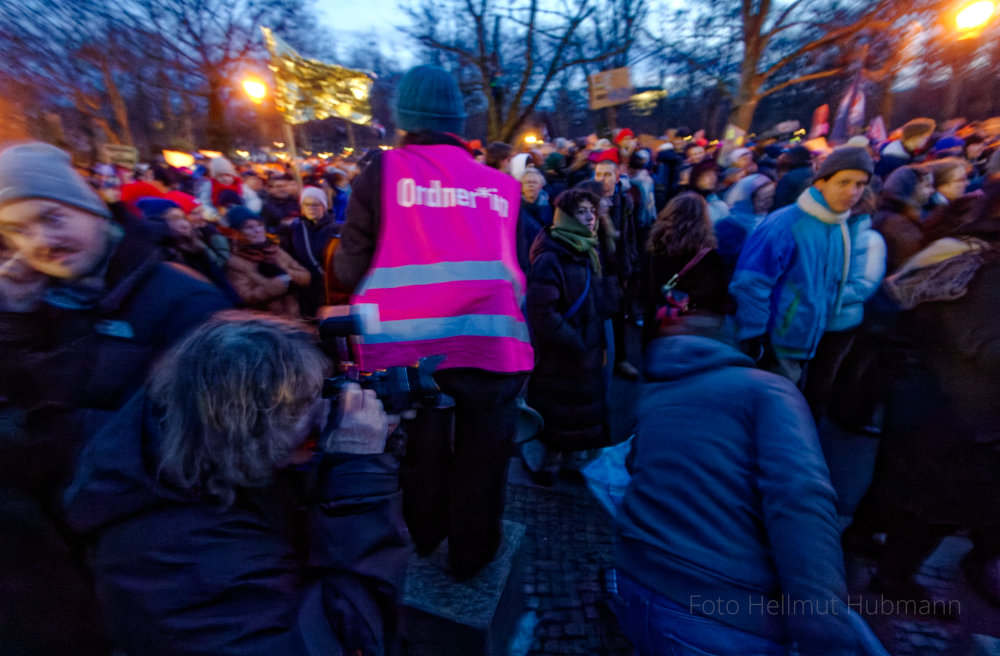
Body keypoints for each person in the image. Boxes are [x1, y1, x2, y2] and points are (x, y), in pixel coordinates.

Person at [63, 312, 410, 656]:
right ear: (250, 431)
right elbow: (346, 637)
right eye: (305, 405)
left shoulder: (193, 455)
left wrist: (359, 451)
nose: (327, 410)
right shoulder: (184, 561)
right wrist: (359, 478)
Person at [0, 142, 229, 655]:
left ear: (89, 206)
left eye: (51, 217)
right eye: (17, 230)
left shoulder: (183, 298)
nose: (40, 241)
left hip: (171, 571)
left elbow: (215, 443)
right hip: (75, 566)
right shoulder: (48, 302)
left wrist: (44, 442)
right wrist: (13, 322)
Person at [334, 65, 533, 580]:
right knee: (485, 460)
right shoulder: (501, 186)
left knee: (418, 458)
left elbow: (350, 268)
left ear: (404, 118)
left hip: (407, 352)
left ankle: (422, 539)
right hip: (493, 346)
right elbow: (519, 266)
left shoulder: (381, 175)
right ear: (455, 120)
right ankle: (472, 556)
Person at [614, 314, 889, 656]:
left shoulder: (655, 395)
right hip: (719, 614)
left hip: (633, 583)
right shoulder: (767, 390)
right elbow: (799, 498)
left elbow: (632, 465)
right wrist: (822, 621)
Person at [729, 146, 874, 385]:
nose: (853, 191)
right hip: (777, 345)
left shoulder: (836, 225)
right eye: (844, 182)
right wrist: (756, 337)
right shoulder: (785, 224)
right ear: (820, 183)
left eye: (860, 184)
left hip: (807, 341)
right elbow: (750, 282)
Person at [525, 187, 614, 483]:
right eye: (581, 212)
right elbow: (542, 312)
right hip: (560, 353)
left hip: (585, 347)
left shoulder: (588, 247)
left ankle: (571, 463)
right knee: (555, 410)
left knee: (580, 412)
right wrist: (575, 343)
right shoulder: (552, 254)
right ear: (566, 217)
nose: (590, 218)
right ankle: (547, 466)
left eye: (592, 211)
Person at [644, 192, 730, 346]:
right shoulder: (709, 256)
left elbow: (647, 287)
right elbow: (716, 294)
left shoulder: (655, 246)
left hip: (660, 320)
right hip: (692, 327)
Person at [226, 206, 311, 317]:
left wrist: (285, 271)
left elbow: (305, 276)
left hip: (294, 316)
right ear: (238, 233)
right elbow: (246, 296)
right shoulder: (235, 262)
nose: (258, 230)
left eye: (259, 225)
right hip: (269, 322)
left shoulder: (274, 250)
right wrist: (277, 285)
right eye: (249, 227)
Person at [281, 186, 338, 317]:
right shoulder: (293, 229)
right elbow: (287, 255)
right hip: (304, 287)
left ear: (324, 206)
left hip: (327, 285)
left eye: (315, 205)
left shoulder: (335, 229)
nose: (311, 208)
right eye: (307, 205)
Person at [872, 165, 934, 273]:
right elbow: (915, 261)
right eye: (926, 186)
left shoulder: (895, 216)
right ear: (909, 188)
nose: (932, 190)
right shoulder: (898, 224)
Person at [516, 167, 552, 274]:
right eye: (527, 183)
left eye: (534, 182)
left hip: (543, 257)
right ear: (521, 187)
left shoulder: (549, 206)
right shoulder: (515, 207)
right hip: (523, 259)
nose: (531, 185)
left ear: (540, 186)